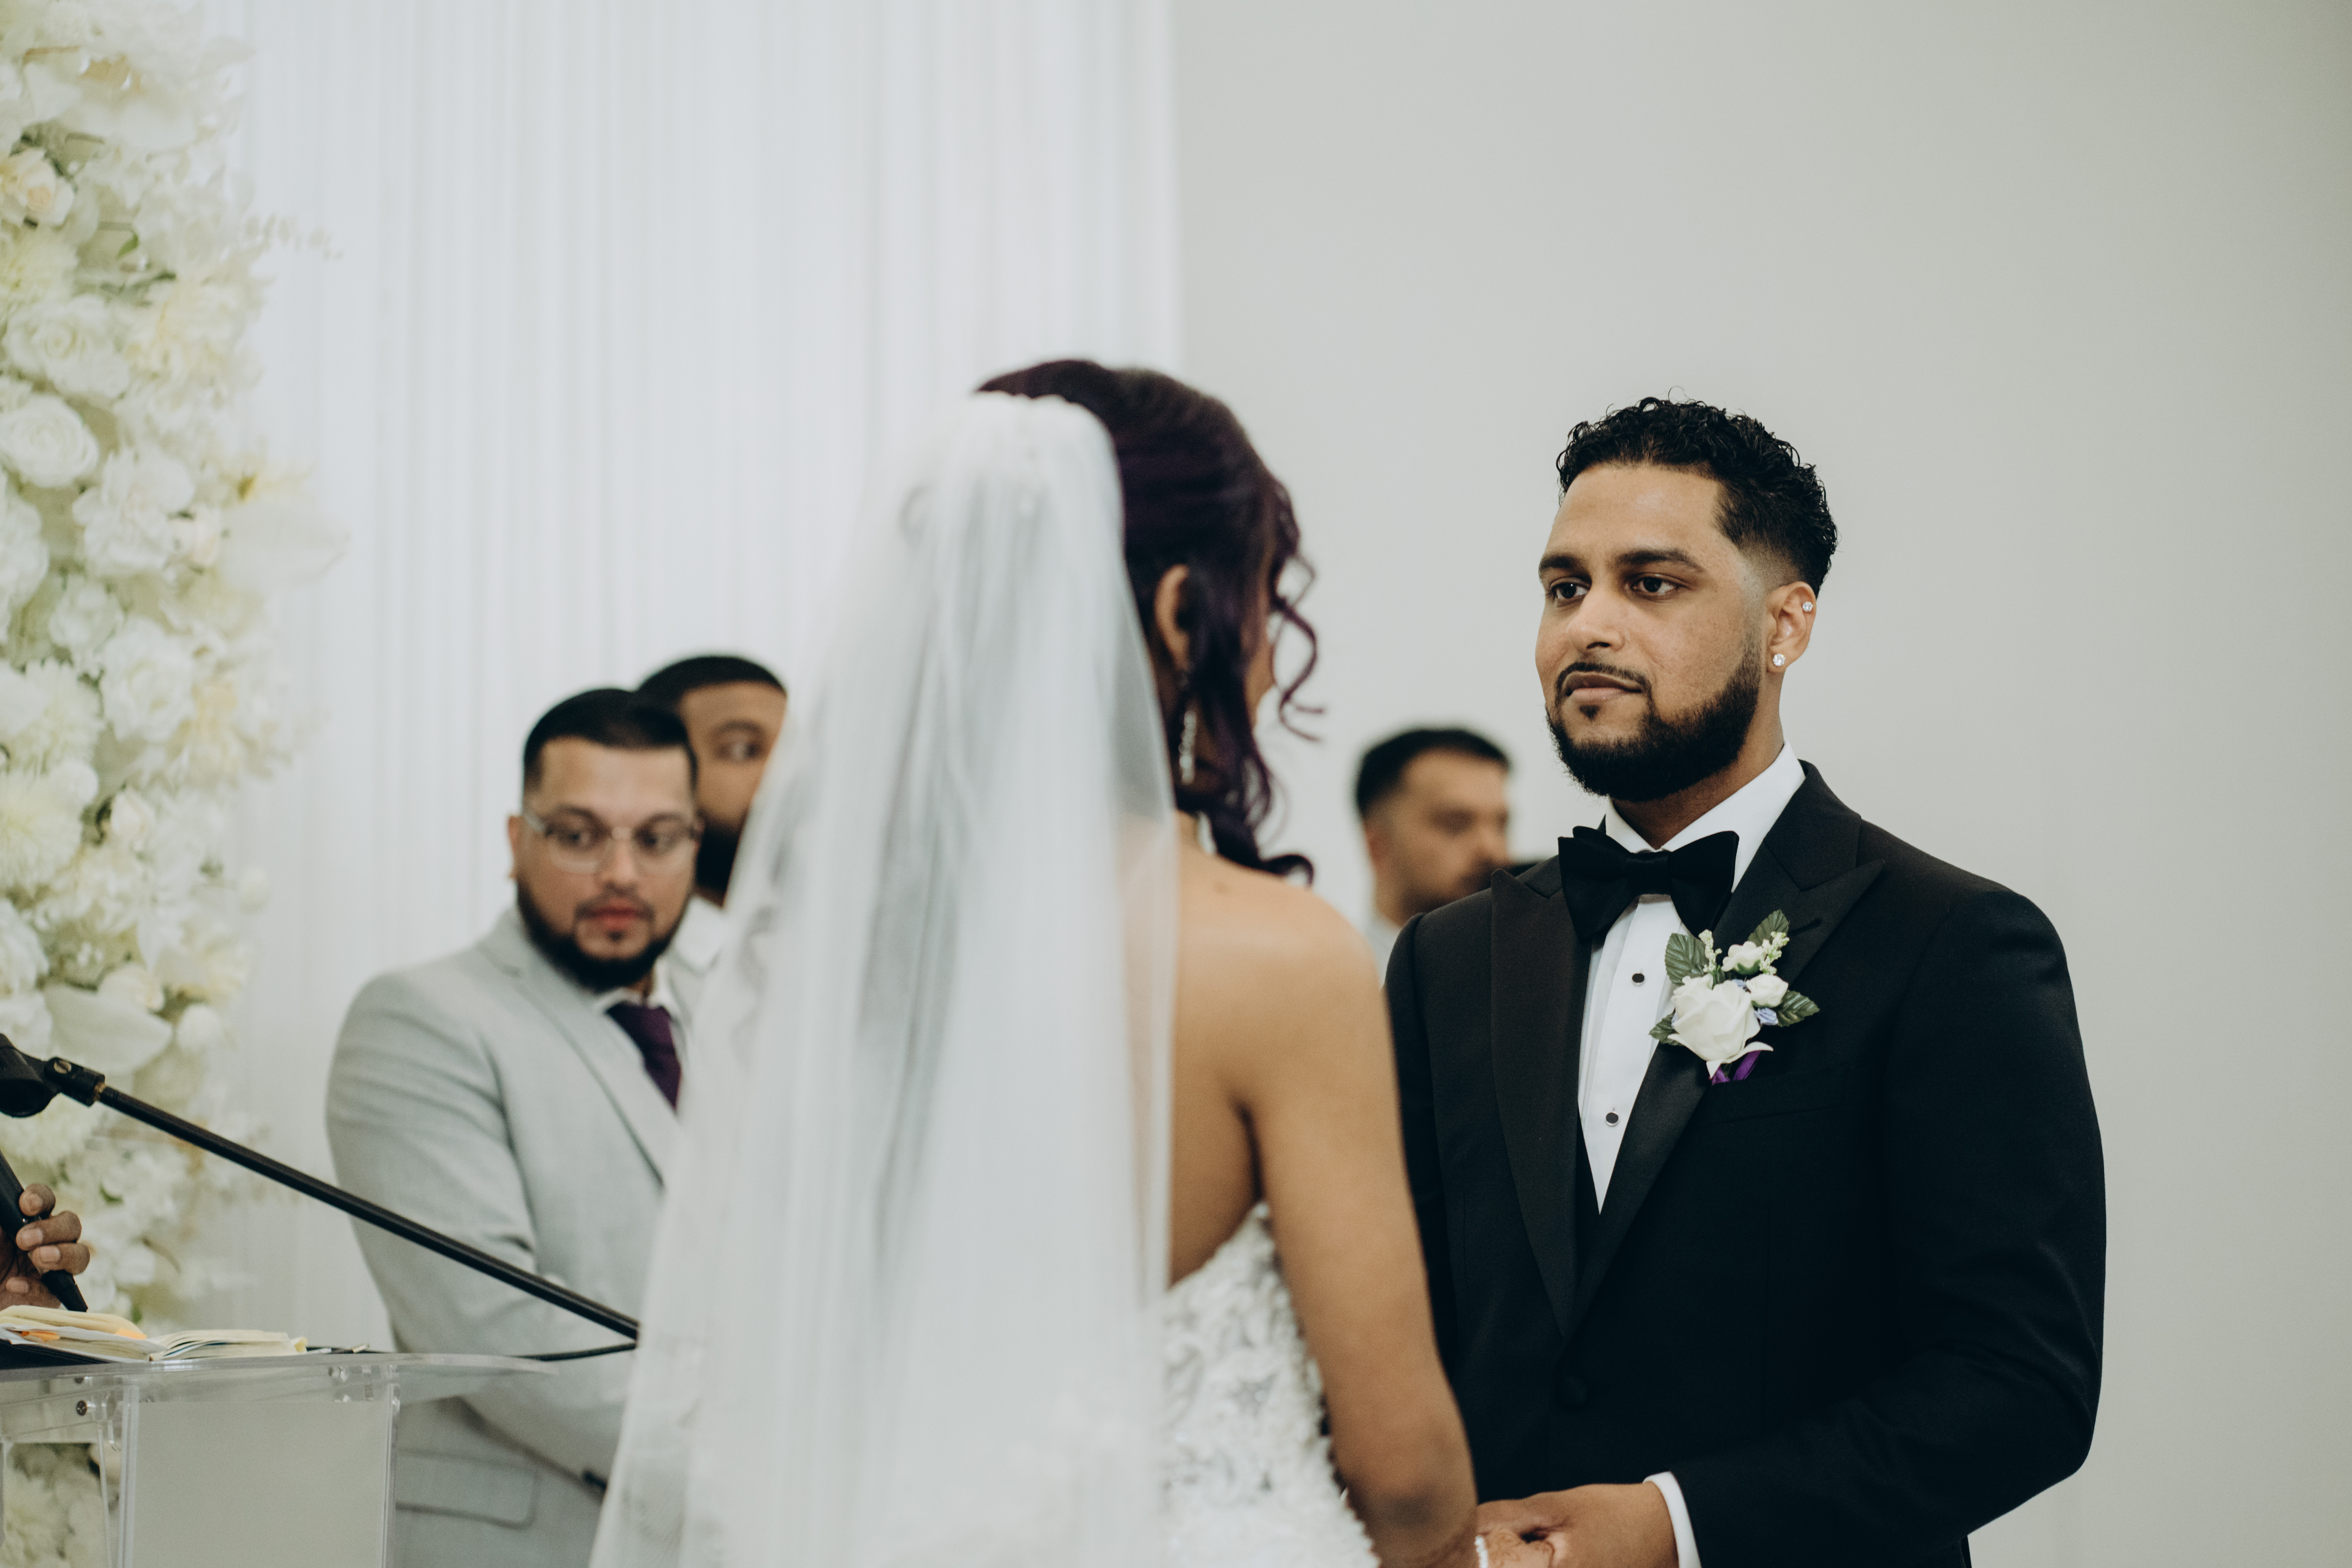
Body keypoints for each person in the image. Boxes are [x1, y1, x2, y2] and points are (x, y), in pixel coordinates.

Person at [593, 368, 1555, 1568]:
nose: (1267, 656)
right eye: (1263, 598)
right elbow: (1402, 1466)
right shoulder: (1274, 956)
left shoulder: (821, 959)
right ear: (1180, 612)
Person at [1389, 398, 2104, 1567]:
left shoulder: (1952, 942)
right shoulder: (1448, 958)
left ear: (1786, 624)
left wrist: (1674, 1523)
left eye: (1651, 583)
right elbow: (1400, 1324)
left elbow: (2020, 1384)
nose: (1589, 625)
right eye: (1565, 586)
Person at [327, 689, 703, 1568]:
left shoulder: (739, 1024)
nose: (621, 872)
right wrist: (754, 1467)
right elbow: (493, 1327)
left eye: (656, 839)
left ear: (695, 842)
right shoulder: (421, 1017)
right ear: (515, 839)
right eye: (578, 834)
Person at [636, 655, 788, 1011]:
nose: (783, 776)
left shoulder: (833, 943)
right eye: (743, 750)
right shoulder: (633, 971)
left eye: (793, 751)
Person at [1355, 728, 1512, 971]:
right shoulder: (1335, 986)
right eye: (1455, 825)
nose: (1492, 850)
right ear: (1378, 846)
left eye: (1501, 826)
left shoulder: (1532, 974)